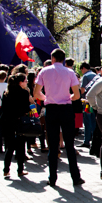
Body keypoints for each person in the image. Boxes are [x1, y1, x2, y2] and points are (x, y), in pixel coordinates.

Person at [33, 48, 84, 187]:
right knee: (69, 144)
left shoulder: (44, 71)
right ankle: (75, 177)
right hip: (66, 108)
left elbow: (36, 92)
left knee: (53, 145)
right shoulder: (70, 72)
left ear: (52, 58)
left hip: (51, 108)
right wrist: (68, 97)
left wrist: (46, 98)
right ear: (64, 59)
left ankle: (52, 178)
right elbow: (77, 95)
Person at [0, 74, 31, 178]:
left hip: (8, 121)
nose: (26, 82)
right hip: (20, 122)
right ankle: (20, 170)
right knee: (21, 147)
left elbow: (3, 108)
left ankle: (6, 170)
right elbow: (26, 109)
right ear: (20, 82)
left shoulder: (6, 93)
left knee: (9, 147)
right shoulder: (24, 93)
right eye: (25, 80)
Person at [79, 62, 98, 148]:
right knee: (94, 121)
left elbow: (82, 90)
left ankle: (87, 141)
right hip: (95, 101)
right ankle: (95, 140)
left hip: (87, 103)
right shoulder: (95, 75)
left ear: (83, 68)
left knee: (87, 122)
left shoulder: (85, 76)